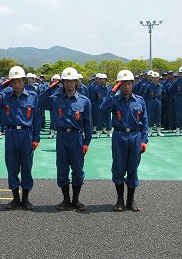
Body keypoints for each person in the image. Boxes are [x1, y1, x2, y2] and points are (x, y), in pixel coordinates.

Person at [0, 66, 41, 210]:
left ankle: (26, 198)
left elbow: (37, 119)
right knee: (12, 166)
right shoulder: (5, 96)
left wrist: (36, 138)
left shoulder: (32, 96)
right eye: (14, 82)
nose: (17, 84)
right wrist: (0, 86)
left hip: (27, 134)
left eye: (20, 81)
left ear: (24, 81)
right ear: (10, 83)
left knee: (27, 167)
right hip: (11, 134)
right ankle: (15, 198)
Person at [39, 67, 92, 211]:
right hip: (61, 137)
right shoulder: (55, 99)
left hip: (77, 138)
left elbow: (88, 123)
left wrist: (87, 141)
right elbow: (40, 103)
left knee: (78, 170)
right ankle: (66, 199)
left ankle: (76, 200)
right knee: (62, 169)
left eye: (71, 81)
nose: (69, 84)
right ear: (62, 83)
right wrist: (52, 86)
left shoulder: (84, 101)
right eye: (65, 81)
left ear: (76, 82)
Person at [100, 69, 148, 212]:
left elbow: (145, 122)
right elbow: (103, 109)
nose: (127, 87)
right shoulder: (114, 100)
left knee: (133, 168)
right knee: (119, 168)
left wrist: (144, 140)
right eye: (124, 84)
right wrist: (111, 93)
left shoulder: (139, 100)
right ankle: (120, 199)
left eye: (129, 84)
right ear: (119, 85)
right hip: (120, 136)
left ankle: (130, 200)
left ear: (133, 85)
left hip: (135, 136)